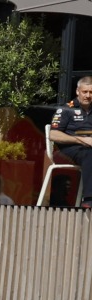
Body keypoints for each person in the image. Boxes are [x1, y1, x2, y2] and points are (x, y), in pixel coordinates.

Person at [48, 76, 92, 209]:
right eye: (85, 92)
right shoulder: (66, 109)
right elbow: (53, 134)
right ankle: (89, 199)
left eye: (91, 92)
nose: (88, 95)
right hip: (70, 148)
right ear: (77, 91)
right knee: (89, 153)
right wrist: (81, 140)